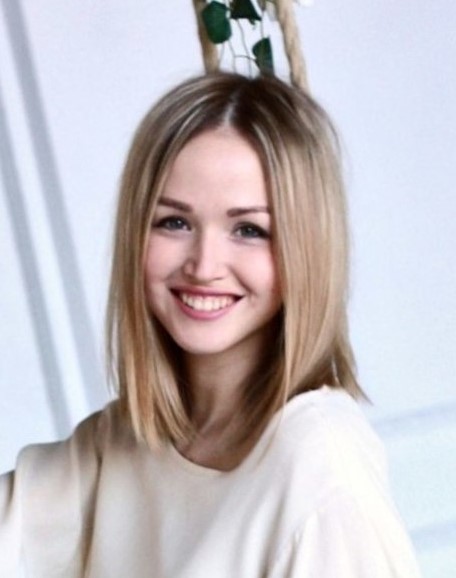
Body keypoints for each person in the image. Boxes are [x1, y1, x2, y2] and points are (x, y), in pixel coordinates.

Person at [0, 72, 421, 577]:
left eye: (249, 229)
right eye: (175, 222)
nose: (204, 265)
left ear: (307, 246)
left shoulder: (323, 474)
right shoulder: (127, 440)